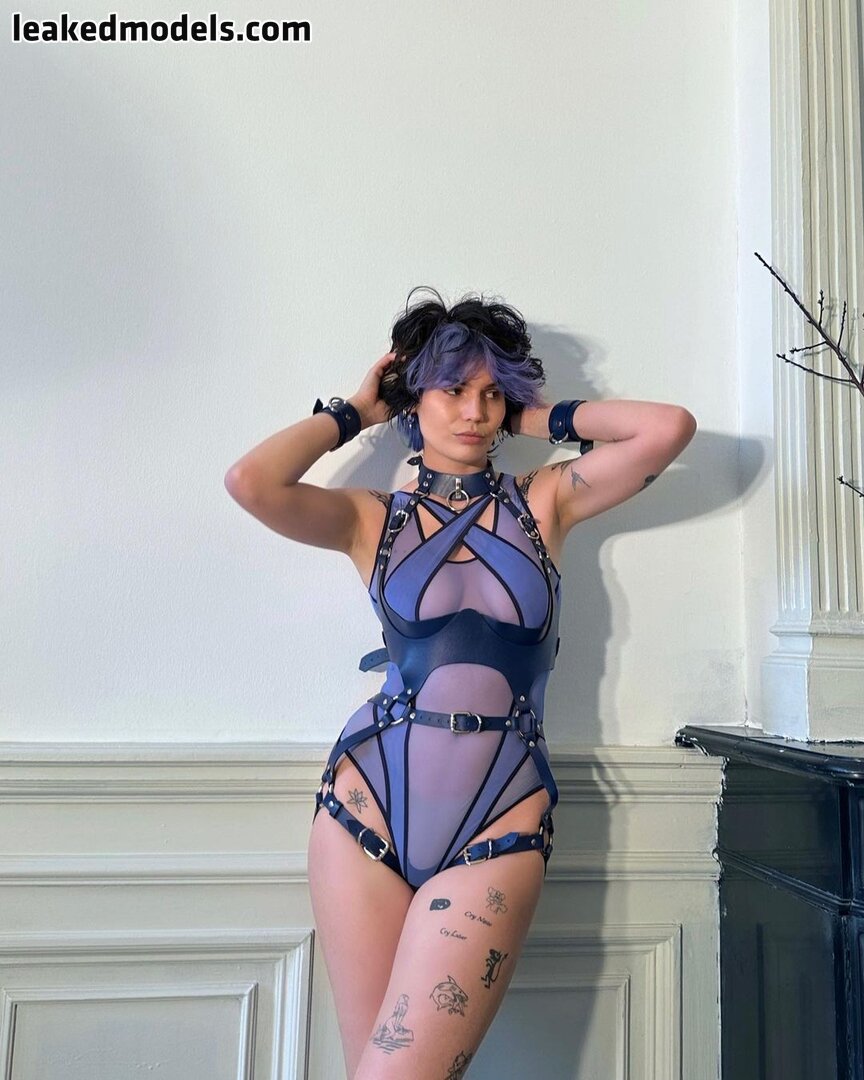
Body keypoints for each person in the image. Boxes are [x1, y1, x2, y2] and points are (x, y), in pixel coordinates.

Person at [224, 288, 696, 1079]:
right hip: (365, 808)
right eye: (452, 389)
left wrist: (536, 417)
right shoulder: (371, 518)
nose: (475, 411)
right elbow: (251, 482)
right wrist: (355, 412)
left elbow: (667, 428)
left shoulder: (545, 502)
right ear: (415, 397)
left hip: (499, 817)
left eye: (490, 393)